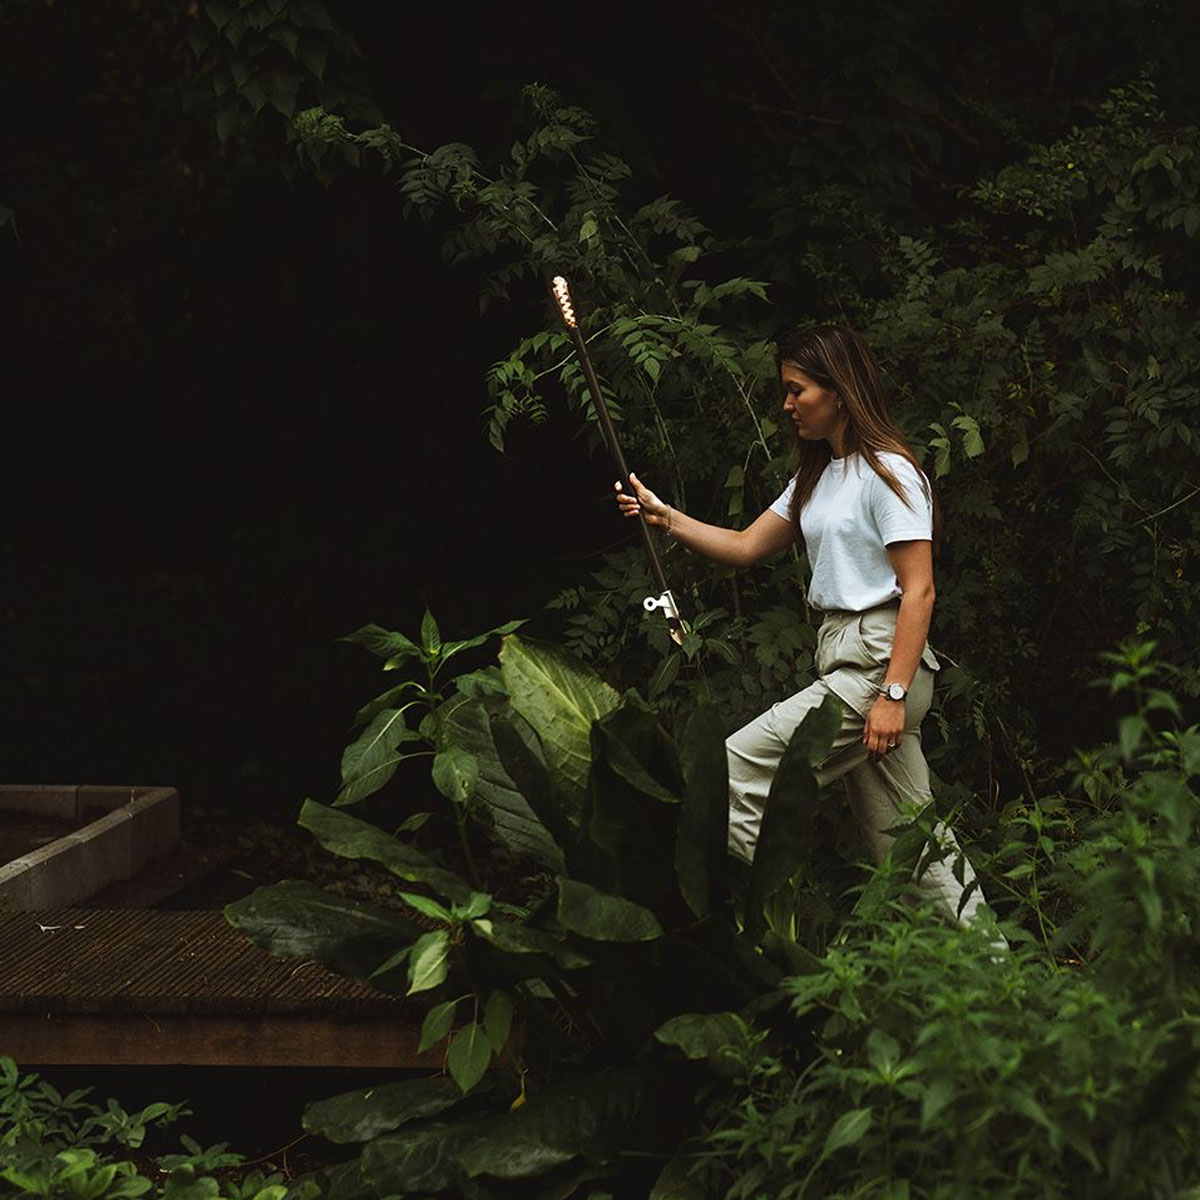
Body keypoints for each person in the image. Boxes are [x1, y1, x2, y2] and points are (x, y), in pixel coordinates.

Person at [614, 325, 999, 934]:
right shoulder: (819, 477)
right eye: (785, 392)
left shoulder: (890, 473)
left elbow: (919, 590)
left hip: (878, 668)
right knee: (914, 851)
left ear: (840, 390)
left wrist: (892, 696)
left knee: (731, 774)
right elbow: (744, 547)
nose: (787, 404)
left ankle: (738, 933)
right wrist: (667, 520)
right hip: (847, 658)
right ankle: (1003, 989)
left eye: (798, 390)